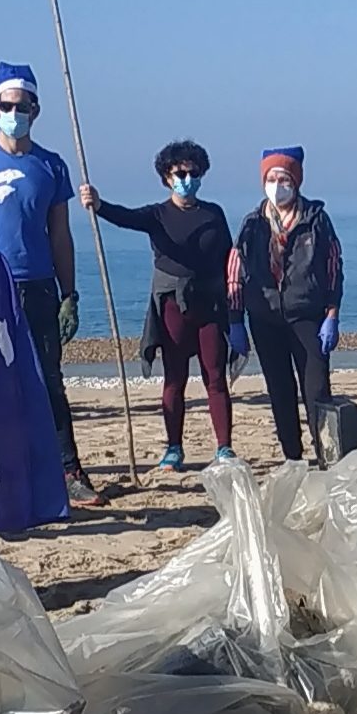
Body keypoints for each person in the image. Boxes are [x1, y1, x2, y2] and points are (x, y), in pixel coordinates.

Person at [0, 62, 101, 506]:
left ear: (35, 109)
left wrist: (69, 294)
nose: (15, 112)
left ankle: (69, 469)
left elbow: (61, 235)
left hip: (38, 285)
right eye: (7, 105)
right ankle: (3, 474)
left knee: (49, 381)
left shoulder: (51, 165)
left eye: (22, 105)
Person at [80, 141, 238, 470]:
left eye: (194, 173)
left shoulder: (214, 213)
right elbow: (125, 217)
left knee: (215, 377)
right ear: (167, 177)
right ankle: (174, 449)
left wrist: (236, 312)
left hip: (209, 304)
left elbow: (229, 259)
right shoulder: (157, 214)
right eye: (180, 173)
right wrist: (97, 203)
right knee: (175, 378)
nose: (187, 178)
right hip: (171, 305)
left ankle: (224, 448)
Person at [232, 146, 344, 460]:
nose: (278, 185)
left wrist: (332, 313)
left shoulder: (316, 220)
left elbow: (334, 266)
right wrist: (235, 319)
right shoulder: (252, 223)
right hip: (265, 320)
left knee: (316, 392)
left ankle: (326, 454)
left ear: (296, 181)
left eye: (284, 178)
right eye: (271, 178)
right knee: (280, 392)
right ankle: (292, 457)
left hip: (307, 317)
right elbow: (235, 270)